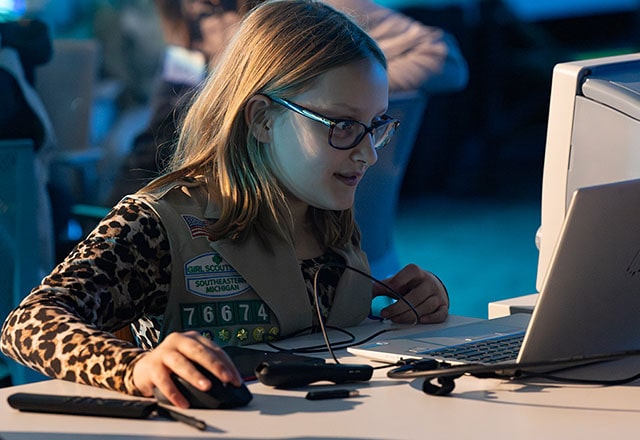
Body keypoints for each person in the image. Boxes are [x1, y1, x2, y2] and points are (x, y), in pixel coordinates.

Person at [1, 0, 449, 409]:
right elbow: (27, 324)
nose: (369, 153)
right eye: (343, 125)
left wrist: (409, 300)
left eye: (376, 126)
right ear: (261, 121)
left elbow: (318, 339)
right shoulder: (159, 224)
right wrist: (135, 367)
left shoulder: (328, 219)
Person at [105, 0, 468, 205]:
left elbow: (445, 58)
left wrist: (345, 99)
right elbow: (170, 109)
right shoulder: (188, 18)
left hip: (285, 195)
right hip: (217, 182)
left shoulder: (312, 9)